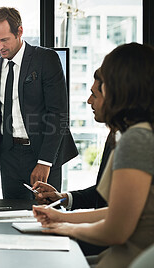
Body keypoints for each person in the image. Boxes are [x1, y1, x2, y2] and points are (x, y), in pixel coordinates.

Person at [33, 43, 154, 268]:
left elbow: (116, 230)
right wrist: (61, 215)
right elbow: (119, 210)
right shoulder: (139, 133)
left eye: (99, 91)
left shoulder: (136, 139)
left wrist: (63, 228)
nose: (90, 100)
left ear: (120, 89)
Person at [0, 7, 78, 199]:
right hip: (8, 156)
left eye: (4, 40)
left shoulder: (45, 59)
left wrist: (45, 161)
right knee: (11, 214)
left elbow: (58, 113)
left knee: (46, 218)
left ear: (19, 32)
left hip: (42, 154)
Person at [32, 69, 111, 256]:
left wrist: (65, 223)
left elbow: (117, 216)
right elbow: (103, 193)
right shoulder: (115, 135)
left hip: (110, 244)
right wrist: (62, 198)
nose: (89, 101)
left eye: (94, 94)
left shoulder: (133, 140)